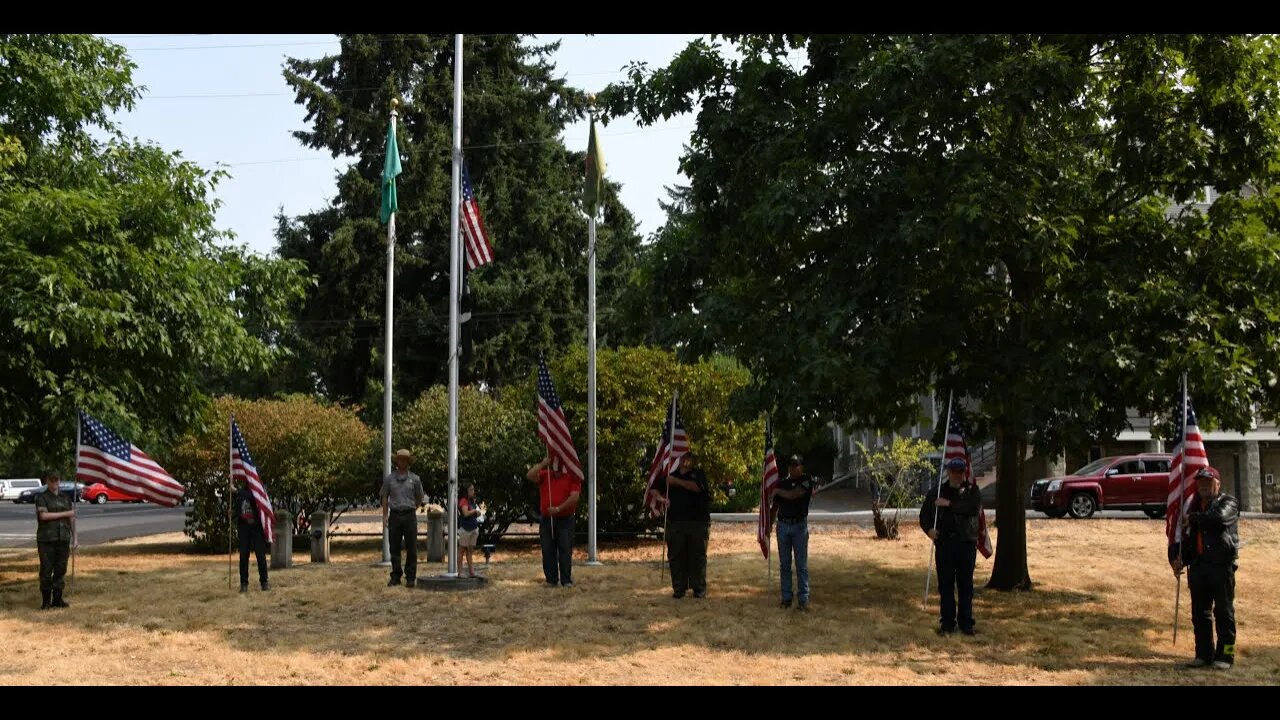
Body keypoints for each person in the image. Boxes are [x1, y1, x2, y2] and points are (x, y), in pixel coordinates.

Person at [1170, 466, 1239, 670]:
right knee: (1200, 614)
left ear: (1217, 484)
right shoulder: (1193, 507)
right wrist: (1180, 559)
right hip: (1199, 566)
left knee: (1224, 612)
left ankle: (1226, 656)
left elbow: (1218, 519)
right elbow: (1189, 539)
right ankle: (1203, 654)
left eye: (1208, 482)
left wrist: (1192, 518)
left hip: (1221, 566)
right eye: (1200, 482)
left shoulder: (1228, 502)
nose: (1203, 486)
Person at [919, 457, 982, 635]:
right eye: (954, 472)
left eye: (960, 472)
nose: (957, 475)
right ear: (948, 472)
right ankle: (947, 623)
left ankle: (966, 623)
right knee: (946, 586)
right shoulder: (937, 492)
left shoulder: (971, 491)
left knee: (965, 586)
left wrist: (948, 504)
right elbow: (924, 516)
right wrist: (929, 530)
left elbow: (971, 508)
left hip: (965, 544)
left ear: (964, 473)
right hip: (945, 544)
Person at [526, 452, 581, 587]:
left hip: (565, 519)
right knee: (548, 549)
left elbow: (574, 497)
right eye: (554, 468)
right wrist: (543, 464)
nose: (556, 471)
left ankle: (566, 580)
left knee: (565, 549)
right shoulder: (546, 475)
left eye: (558, 468)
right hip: (547, 519)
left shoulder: (573, 477)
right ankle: (551, 580)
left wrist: (558, 509)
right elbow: (530, 475)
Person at [664, 452, 710, 599]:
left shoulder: (698, 475)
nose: (686, 460)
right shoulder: (671, 475)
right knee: (676, 557)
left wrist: (676, 482)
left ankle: (699, 588)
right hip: (676, 522)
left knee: (697, 557)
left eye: (689, 457)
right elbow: (657, 491)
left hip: (697, 522)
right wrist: (662, 499)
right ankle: (679, 589)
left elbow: (696, 487)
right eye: (683, 457)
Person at [772, 455, 814, 610]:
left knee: (801, 564)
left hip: (799, 526)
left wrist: (777, 490)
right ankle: (786, 598)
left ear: (801, 467)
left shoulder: (806, 480)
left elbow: (794, 494)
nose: (792, 468)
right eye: (790, 465)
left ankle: (803, 599)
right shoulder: (782, 483)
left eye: (795, 465)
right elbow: (775, 506)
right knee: (784, 564)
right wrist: (769, 525)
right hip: (783, 525)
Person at [381, 448, 425, 587]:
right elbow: (384, 496)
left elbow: (419, 497)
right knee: (394, 547)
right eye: (400, 460)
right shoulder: (389, 479)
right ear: (397, 461)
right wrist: (385, 515)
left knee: (411, 547)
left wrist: (412, 508)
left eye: (405, 460)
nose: (402, 462)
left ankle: (410, 576)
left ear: (408, 462)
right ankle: (396, 575)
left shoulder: (415, 479)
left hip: (409, 515)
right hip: (394, 515)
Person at [34, 470, 76, 610]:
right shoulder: (42, 497)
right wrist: (66, 513)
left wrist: (75, 537)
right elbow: (44, 516)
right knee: (46, 570)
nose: (55, 483)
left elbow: (71, 519)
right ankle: (46, 601)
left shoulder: (65, 498)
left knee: (61, 568)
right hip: (47, 539)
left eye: (57, 480)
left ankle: (57, 599)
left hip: (63, 538)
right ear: (47, 481)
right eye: (52, 480)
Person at [235, 477, 270, 592]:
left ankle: (264, 582)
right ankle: (243, 583)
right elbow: (238, 507)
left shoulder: (259, 490)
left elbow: (252, 497)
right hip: (244, 527)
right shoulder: (241, 493)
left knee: (260, 555)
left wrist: (236, 491)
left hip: (256, 527)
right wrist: (234, 513)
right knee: (243, 556)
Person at [457, 483, 481, 578]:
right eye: (471, 490)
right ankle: (460, 572)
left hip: (473, 527)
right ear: (466, 491)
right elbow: (466, 513)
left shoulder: (472, 501)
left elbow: (472, 513)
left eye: (473, 489)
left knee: (470, 551)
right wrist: (474, 511)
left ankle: (471, 571)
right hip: (465, 528)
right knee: (462, 550)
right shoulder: (463, 501)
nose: (473, 492)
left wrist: (477, 513)